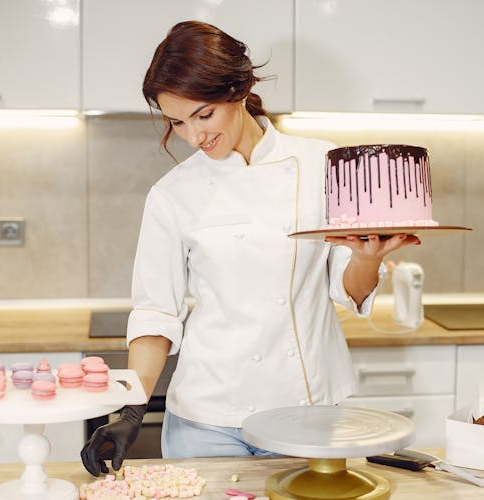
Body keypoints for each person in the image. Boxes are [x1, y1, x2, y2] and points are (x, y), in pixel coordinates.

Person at [80, 20, 420, 476]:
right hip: (206, 419)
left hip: (308, 413)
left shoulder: (321, 163)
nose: (194, 137)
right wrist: (132, 409)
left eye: (204, 115)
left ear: (239, 90)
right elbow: (155, 311)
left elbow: (349, 291)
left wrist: (366, 257)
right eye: (177, 122)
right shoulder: (172, 194)